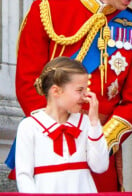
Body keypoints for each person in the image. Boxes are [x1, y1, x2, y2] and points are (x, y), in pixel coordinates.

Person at [14, 0, 132, 191]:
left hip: (97, 153)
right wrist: (53, 132)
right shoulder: (47, 11)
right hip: (48, 150)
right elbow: (28, 83)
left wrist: (96, 141)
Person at [15, 56, 109, 193]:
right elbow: (24, 176)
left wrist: (95, 123)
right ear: (56, 91)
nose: (85, 96)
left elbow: (100, 166)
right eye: (79, 90)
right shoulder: (29, 126)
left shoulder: (86, 123)